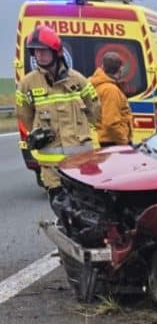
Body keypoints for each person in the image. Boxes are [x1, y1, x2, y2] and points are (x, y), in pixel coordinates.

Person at [15, 25, 100, 203]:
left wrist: (85, 130)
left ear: (56, 52)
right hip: (51, 164)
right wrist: (38, 131)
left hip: (80, 161)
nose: (39, 55)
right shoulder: (28, 83)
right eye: (35, 52)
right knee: (60, 207)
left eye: (43, 51)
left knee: (87, 208)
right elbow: (25, 115)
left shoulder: (78, 80)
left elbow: (94, 109)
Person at [90, 52, 132, 147]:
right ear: (120, 69)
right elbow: (111, 123)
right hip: (112, 141)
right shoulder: (110, 90)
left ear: (102, 67)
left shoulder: (99, 84)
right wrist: (124, 141)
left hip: (105, 139)